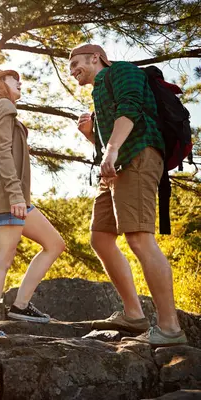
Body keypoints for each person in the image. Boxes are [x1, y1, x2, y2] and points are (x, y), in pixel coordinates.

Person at [69, 44, 187, 346]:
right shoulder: (98, 91)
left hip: (137, 156)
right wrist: (92, 136)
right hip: (115, 168)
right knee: (100, 236)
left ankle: (170, 328)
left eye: (75, 63)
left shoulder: (121, 71)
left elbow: (131, 108)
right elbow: (111, 136)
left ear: (95, 57)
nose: (72, 71)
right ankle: (134, 314)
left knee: (138, 237)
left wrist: (109, 150)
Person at [0, 69, 66, 342]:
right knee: (2, 259)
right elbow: (3, 152)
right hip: (8, 197)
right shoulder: (1, 107)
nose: (20, 82)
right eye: (13, 78)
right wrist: (15, 195)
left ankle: (20, 305)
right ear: (0, 84)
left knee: (55, 243)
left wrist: (19, 197)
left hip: (17, 198)